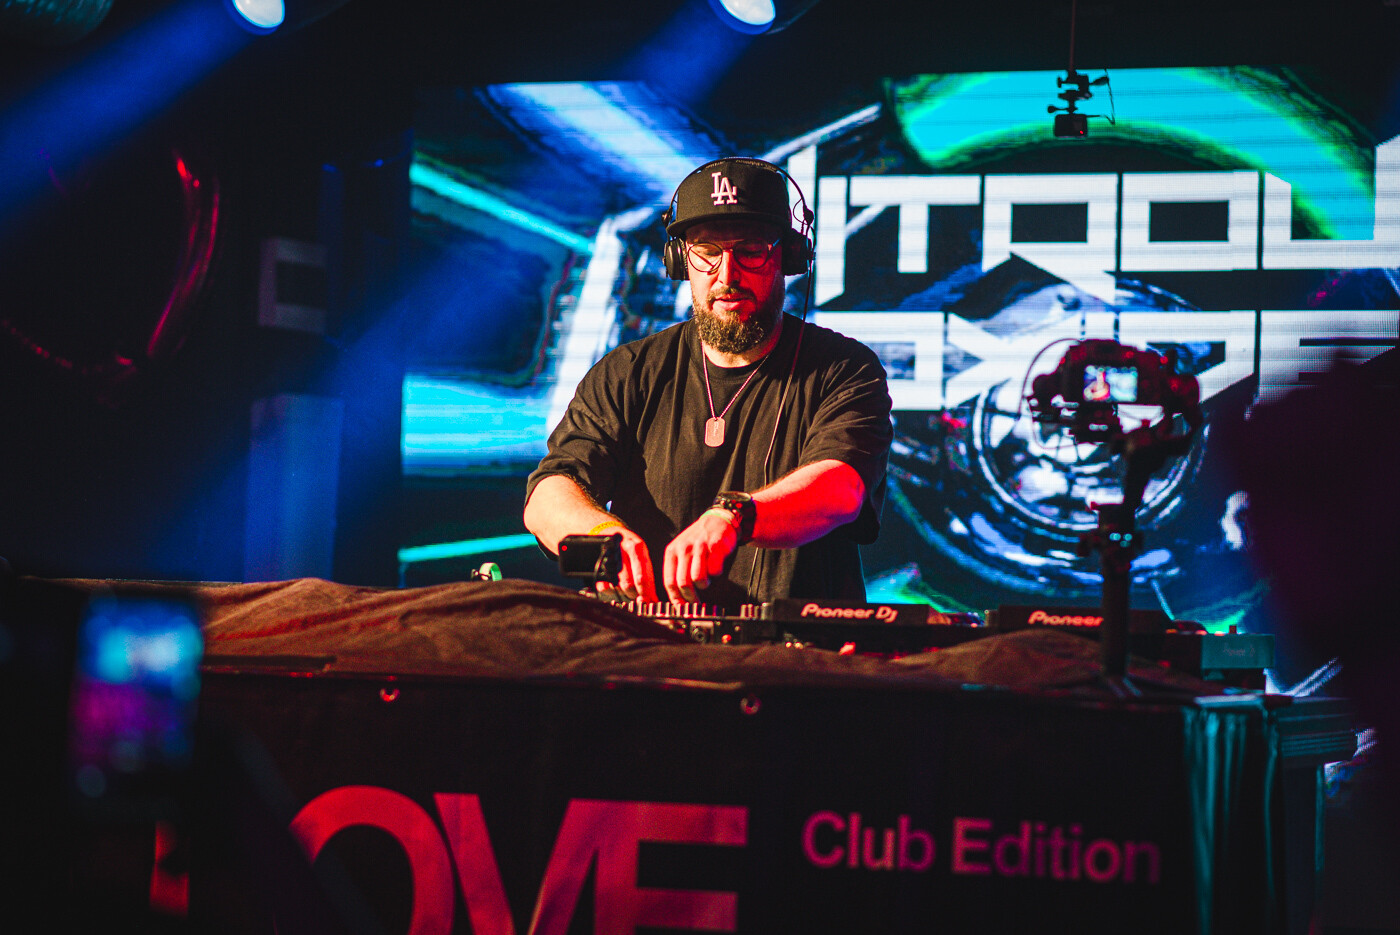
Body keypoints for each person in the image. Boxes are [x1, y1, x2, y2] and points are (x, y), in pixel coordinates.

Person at [523, 156, 892, 607]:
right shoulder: (626, 372)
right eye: (707, 251)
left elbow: (840, 489)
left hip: (798, 644)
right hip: (648, 641)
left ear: (790, 258)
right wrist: (602, 533)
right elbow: (549, 494)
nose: (727, 275)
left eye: (751, 250)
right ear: (681, 260)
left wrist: (734, 517)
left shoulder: (844, 368)